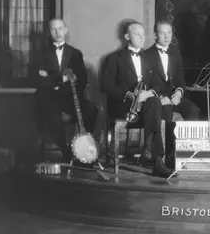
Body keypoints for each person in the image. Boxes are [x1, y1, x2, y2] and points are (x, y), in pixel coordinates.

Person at [100, 21, 172, 177]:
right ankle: (151, 155)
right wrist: (130, 94)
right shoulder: (114, 58)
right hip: (123, 105)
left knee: (154, 102)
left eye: (143, 34)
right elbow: (105, 86)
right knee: (155, 109)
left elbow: (159, 84)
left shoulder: (150, 58)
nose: (141, 37)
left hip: (146, 105)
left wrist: (148, 93)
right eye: (137, 34)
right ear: (127, 37)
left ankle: (156, 160)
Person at [34, 18, 99, 162]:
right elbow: (37, 80)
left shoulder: (76, 53)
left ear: (66, 30)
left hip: (70, 98)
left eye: (60, 28)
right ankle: (66, 150)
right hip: (49, 99)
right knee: (50, 115)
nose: (57, 32)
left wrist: (51, 79)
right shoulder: (41, 54)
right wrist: (62, 79)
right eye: (53, 29)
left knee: (91, 109)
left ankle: (85, 148)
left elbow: (82, 81)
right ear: (48, 32)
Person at [144, 20, 200, 167]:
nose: (167, 36)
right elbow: (146, 83)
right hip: (157, 99)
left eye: (169, 32)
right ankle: (167, 157)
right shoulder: (146, 55)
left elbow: (180, 79)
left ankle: (184, 152)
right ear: (155, 35)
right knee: (167, 112)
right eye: (162, 33)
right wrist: (160, 97)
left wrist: (179, 93)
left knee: (193, 110)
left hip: (173, 96)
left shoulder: (175, 54)